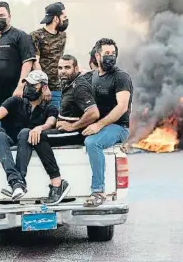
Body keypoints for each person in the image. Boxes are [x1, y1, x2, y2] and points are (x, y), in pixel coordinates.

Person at [0, 70, 70, 204]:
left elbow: (51, 122)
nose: (28, 88)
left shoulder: (49, 107)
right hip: (11, 143)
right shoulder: (15, 101)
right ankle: (17, 182)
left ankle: (17, 183)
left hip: (30, 144)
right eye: (27, 84)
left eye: (33, 85)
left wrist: (40, 128)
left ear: (44, 87)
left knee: (25, 132)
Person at [83, 38, 133, 207]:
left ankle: (98, 191)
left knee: (92, 143)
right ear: (97, 56)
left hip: (118, 127)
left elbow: (122, 107)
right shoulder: (94, 77)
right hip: (101, 126)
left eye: (113, 54)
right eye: (106, 54)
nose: (110, 57)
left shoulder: (121, 77)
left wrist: (98, 125)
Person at [0, 1, 36, 109]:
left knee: (12, 123)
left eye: (2, 15)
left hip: (13, 91)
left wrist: (20, 86)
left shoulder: (21, 36)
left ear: (9, 17)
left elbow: (28, 62)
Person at [42, 54, 99, 147]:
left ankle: (51, 163)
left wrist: (72, 126)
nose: (63, 71)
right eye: (60, 68)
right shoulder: (68, 82)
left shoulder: (79, 87)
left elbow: (94, 113)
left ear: (76, 69)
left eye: (67, 67)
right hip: (66, 130)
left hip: (77, 133)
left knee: (39, 137)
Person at [30, 2, 68, 108]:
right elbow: (35, 62)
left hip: (58, 88)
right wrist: (44, 86)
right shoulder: (36, 36)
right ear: (56, 19)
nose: (66, 20)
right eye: (64, 17)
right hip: (40, 89)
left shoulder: (63, 36)